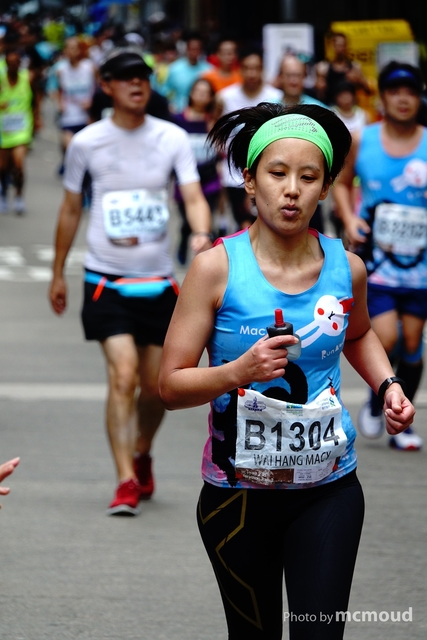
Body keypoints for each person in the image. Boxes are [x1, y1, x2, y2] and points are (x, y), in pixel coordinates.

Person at [158, 101, 415, 639]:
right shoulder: (215, 268)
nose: (292, 190)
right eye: (277, 174)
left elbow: (358, 333)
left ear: (326, 188)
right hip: (238, 496)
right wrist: (239, 371)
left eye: (308, 177)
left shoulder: (348, 267)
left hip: (329, 487)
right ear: (251, 181)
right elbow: (170, 385)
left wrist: (388, 384)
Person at [49, 48, 212, 517]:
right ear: (106, 85)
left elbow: (192, 196)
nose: (136, 84)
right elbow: (71, 208)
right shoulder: (86, 142)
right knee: (122, 376)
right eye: (125, 78)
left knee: (157, 388)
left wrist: (201, 232)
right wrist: (58, 272)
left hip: (159, 283)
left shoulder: (171, 136)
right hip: (106, 280)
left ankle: (142, 451)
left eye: (142, 76)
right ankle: (124, 479)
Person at [332, 61, 426, 451]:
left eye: (410, 92)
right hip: (377, 262)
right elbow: (341, 182)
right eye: (394, 92)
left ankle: (401, 420)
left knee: (413, 342)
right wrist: (350, 218)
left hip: (420, 265)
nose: (403, 99)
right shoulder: (362, 139)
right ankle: (380, 399)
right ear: (382, 98)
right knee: (385, 336)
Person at [215, 46, 283, 230]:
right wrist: (222, 156)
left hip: (268, 171)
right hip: (234, 173)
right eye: (247, 68)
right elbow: (216, 128)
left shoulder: (275, 97)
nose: (251, 73)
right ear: (240, 69)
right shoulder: (225, 97)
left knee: (267, 223)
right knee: (243, 225)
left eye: (256, 68)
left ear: (262, 69)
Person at [172, 77, 222, 264]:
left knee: (206, 217)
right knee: (187, 219)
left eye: (205, 93)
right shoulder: (177, 120)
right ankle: (184, 239)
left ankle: (205, 257)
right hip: (185, 180)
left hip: (209, 179)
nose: (201, 96)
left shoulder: (213, 121)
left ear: (211, 97)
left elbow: (221, 151)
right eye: (198, 92)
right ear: (191, 94)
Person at [48, 36, 96, 174]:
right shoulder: (60, 69)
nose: (71, 51)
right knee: (69, 147)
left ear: (80, 50)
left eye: (74, 48)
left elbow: (98, 88)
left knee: (85, 149)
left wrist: (91, 102)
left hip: (86, 116)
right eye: (68, 48)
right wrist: (59, 103)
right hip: (69, 115)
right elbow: (54, 89)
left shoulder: (90, 67)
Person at [0, 48, 35, 214]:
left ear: (20, 64)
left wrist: (37, 119)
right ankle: (3, 193)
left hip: (22, 130)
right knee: (3, 167)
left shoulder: (27, 78)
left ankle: (19, 197)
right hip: (3, 130)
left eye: (16, 63)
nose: (13, 66)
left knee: (19, 164)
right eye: (10, 63)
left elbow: (36, 99)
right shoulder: (1, 80)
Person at [161, 30, 213, 113]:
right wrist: (169, 105)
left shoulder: (209, 70)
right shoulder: (174, 68)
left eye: (197, 49)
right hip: (178, 112)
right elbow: (164, 90)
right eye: (192, 48)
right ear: (187, 49)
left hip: (202, 113)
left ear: (201, 50)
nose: (194, 52)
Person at [323, 32, 371, 107]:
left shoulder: (355, 67)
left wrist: (359, 80)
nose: (340, 49)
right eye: (338, 45)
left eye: (343, 45)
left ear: (346, 47)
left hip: (351, 108)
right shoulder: (324, 68)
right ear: (332, 46)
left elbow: (368, 91)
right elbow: (319, 95)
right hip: (331, 108)